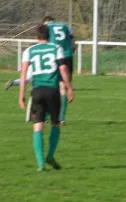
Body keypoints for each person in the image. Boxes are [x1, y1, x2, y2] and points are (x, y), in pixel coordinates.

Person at [19, 25, 74, 172]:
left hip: (36, 91)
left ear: (36, 37)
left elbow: (23, 74)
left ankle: (40, 163)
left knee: (38, 125)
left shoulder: (29, 51)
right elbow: (62, 69)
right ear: (49, 36)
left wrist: (21, 95)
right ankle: (50, 155)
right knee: (55, 124)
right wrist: (69, 88)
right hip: (53, 91)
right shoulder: (56, 48)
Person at [5, 16, 75, 124]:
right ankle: (61, 117)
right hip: (67, 55)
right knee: (62, 88)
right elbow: (73, 44)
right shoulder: (66, 26)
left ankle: (44, 116)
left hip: (52, 55)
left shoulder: (47, 28)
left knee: (45, 85)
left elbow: (45, 41)